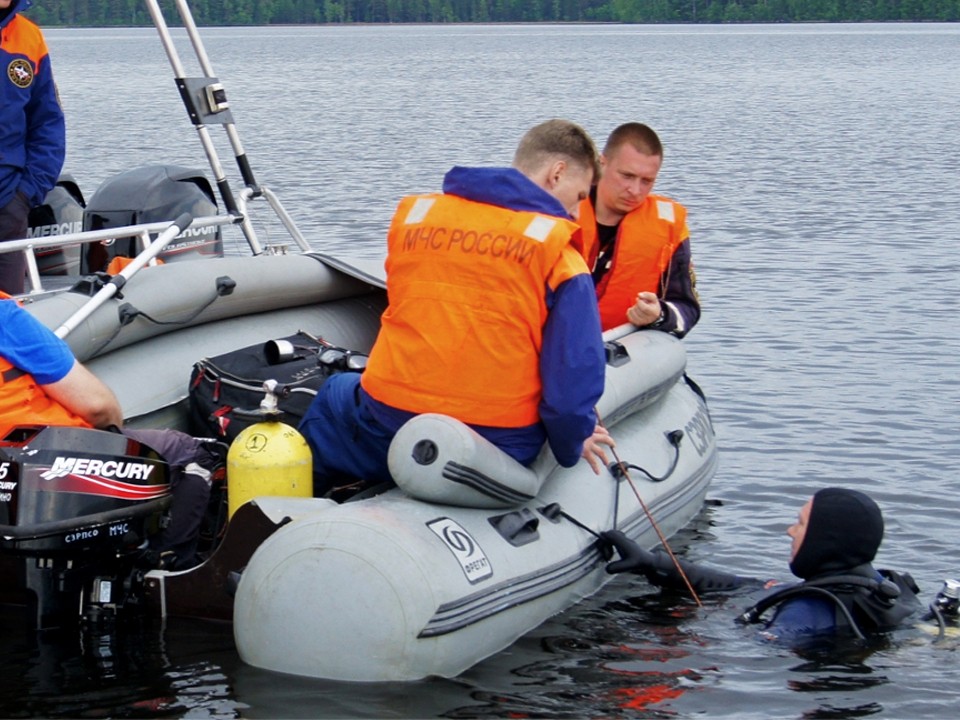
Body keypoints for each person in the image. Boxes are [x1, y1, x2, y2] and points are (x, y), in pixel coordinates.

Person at [299, 119, 614, 494]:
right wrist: (572, 442)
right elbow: (572, 378)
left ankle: (293, 505)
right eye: (580, 197)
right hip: (497, 441)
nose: (579, 214)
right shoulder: (560, 258)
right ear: (557, 174)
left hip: (387, 421)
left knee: (335, 393)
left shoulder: (418, 222)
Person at [0, 292, 221, 569]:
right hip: (43, 453)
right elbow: (98, 407)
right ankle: (166, 570)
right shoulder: (5, 318)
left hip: (11, 465)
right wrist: (114, 435)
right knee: (187, 452)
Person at [601, 487, 922, 641]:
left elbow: (760, 644)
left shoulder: (805, 609)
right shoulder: (885, 588)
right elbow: (743, 586)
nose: (789, 531)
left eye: (800, 524)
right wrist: (652, 562)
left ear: (825, 541)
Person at [579, 123, 699, 336]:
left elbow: (687, 309)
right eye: (627, 176)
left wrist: (659, 314)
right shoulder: (559, 210)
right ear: (602, 164)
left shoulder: (668, 228)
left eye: (646, 181)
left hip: (619, 350)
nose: (635, 190)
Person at [0, 0, 66, 295]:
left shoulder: (30, 37)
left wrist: (26, 193)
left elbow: (48, 122)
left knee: (9, 320)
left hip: (8, 204)